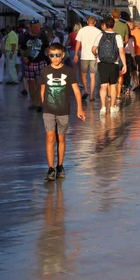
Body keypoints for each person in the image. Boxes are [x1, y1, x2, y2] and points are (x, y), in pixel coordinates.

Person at [40, 42, 85, 181]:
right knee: (50, 138)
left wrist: (79, 108)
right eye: (51, 55)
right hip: (49, 110)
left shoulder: (69, 71)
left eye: (57, 55)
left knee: (61, 138)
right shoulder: (45, 71)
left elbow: (77, 91)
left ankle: (60, 165)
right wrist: (44, 105)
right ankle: (51, 168)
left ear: (63, 55)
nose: (54, 58)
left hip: (63, 110)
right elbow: (42, 89)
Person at [92, 17, 127, 116]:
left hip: (102, 63)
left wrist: (96, 55)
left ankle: (103, 107)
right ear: (113, 25)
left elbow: (93, 49)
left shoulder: (100, 35)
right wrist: (124, 64)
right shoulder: (118, 37)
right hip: (114, 63)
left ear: (105, 25)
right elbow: (121, 51)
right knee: (113, 85)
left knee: (103, 85)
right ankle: (112, 107)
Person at [20, 20, 49, 112]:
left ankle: (41, 103)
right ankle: (35, 103)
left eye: (38, 26)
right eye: (35, 27)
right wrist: (23, 56)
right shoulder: (25, 37)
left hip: (41, 62)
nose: (37, 28)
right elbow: (21, 48)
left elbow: (47, 48)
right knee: (31, 84)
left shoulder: (43, 36)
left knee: (41, 84)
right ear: (31, 27)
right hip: (29, 63)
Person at [74, 16, 102, 101]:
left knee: (83, 74)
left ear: (87, 22)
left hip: (84, 55)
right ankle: (91, 95)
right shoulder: (99, 32)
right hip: (94, 56)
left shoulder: (82, 30)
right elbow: (100, 45)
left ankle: (86, 90)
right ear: (95, 22)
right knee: (93, 76)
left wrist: (75, 54)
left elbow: (78, 43)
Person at [112, 9, 129, 101]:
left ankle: (110, 93)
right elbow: (126, 40)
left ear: (112, 16)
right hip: (120, 51)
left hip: (109, 52)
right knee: (120, 74)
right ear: (120, 16)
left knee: (109, 75)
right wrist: (122, 44)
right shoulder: (124, 26)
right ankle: (118, 94)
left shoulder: (109, 25)